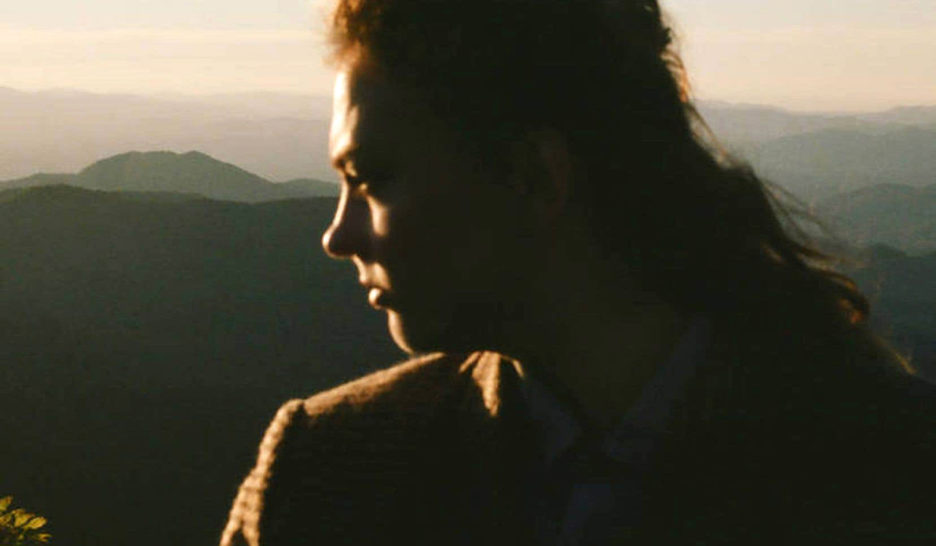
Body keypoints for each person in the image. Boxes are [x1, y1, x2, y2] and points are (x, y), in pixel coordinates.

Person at [220, 0, 936, 544]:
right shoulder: (325, 469)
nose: (336, 236)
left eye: (372, 179)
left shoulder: (894, 475)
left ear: (535, 176)